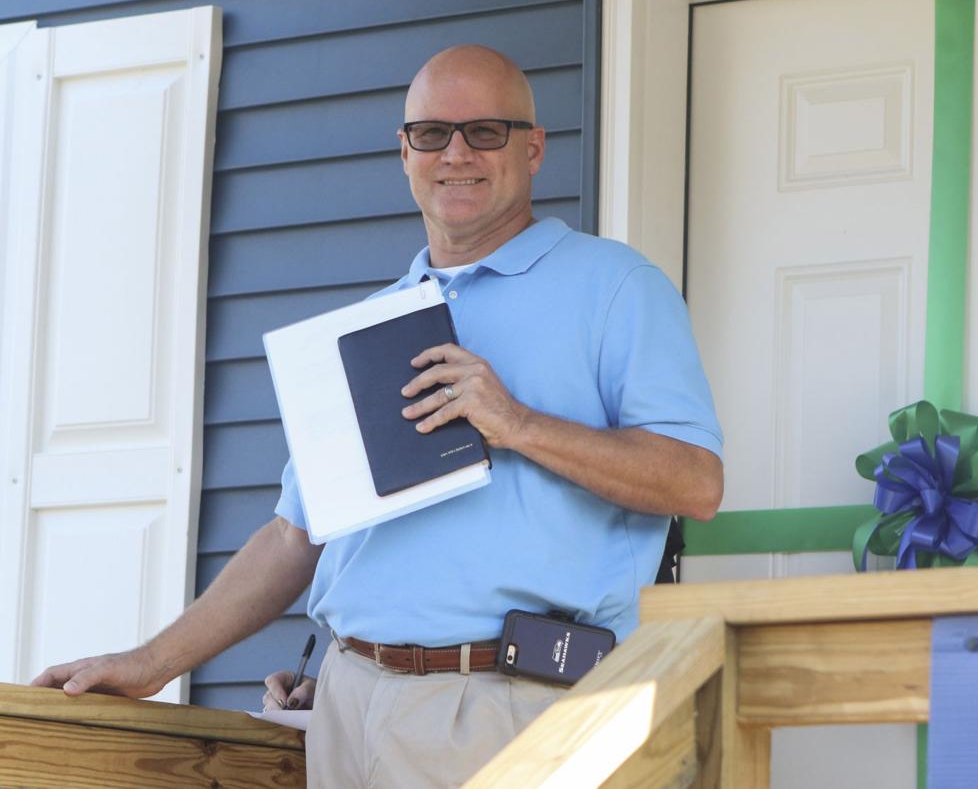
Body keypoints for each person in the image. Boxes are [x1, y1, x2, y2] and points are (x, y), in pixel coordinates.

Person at [33, 45, 723, 787]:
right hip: (347, 704)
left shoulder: (616, 286)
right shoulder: (372, 324)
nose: (456, 152)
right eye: (431, 134)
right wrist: (149, 663)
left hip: (516, 702)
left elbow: (697, 483)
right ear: (404, 152)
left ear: (533, 147)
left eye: (484, 131)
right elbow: (294, 534)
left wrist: (515, 422)